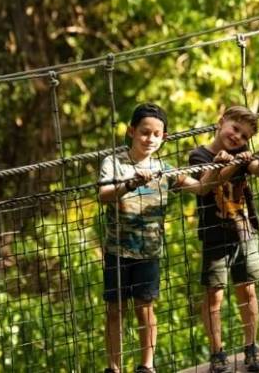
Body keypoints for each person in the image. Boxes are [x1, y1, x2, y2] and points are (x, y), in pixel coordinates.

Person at [99, 103, 207, 373]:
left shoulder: (165, 169)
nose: (150, 139)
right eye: (145, 132)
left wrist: (223, 165)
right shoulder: (114, 162)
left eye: (157, 134)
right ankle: (114, 367)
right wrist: (130, 184)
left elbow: (203, 187)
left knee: (144, 308)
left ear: (164, 137)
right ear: (131, 131)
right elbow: (104, 195)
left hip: (149, 253)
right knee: (115, 310)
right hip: (117, 251)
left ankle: (146, 366)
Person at [189, 106, 259, 373]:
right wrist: (232, 163)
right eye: (235, 129)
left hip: (244, 232)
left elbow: (258, 169)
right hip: (215, 236)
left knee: (247, 289)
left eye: (245, 136)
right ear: (220, 122)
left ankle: (251, 346)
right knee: (214, 296)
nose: (238, 137)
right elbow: (208, 183)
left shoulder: (241, 155)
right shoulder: (199, 155)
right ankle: (217, 352)